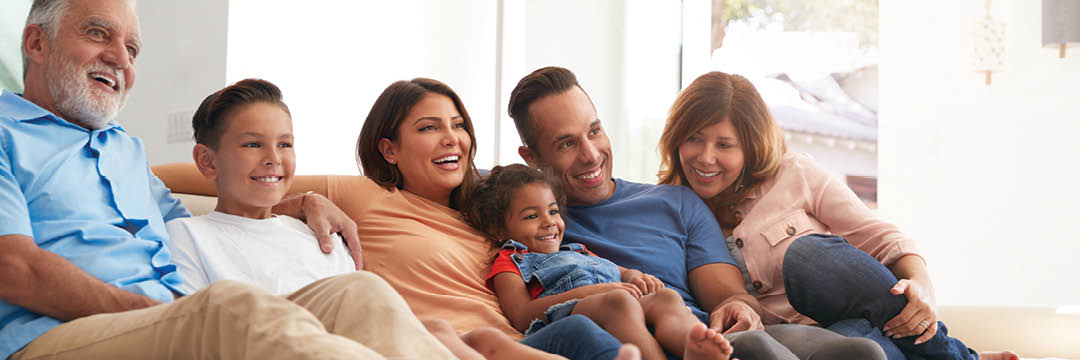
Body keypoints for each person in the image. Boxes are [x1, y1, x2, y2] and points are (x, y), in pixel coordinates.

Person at [0, 0, 452, 358]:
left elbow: (215, 216)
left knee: (359, 293)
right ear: (37, 43)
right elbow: (13, 267)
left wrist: (292, 201)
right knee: (230, 306)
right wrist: (166, 312)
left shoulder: (123, 151)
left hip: (172, 322)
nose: (120, 59)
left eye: (132, 49)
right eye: (99, 33)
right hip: (56, 336)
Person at [155, 78, 638, 360]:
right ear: (388, 148)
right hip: (437, 340)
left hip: (520, 336)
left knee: (588, 330)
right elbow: (244, 186)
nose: (452, 139)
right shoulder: (363, 195)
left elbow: (550, 246)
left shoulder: (493, 205)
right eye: (429, 128)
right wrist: (125, 165)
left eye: (458, 126)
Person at [507, 66, 888, 360]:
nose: (590, 154)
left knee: (859, 351)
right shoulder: (529, 226)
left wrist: (736, 306)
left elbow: (727, 295)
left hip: (711, 338)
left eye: (594, 131)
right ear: (532, 158)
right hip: (639, 344)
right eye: (566, 144)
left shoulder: (675, 203)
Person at [655, 71, 1017, 360]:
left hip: (852, 301)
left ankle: (955, 356)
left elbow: (882, 238)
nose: (705, 157)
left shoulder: (795, 174)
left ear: (749, 148)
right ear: (676, 139)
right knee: (856, 352)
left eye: (724, 145)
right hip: (828, 339)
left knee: (808, 255)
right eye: (694, 139)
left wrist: (920, 282)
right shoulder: (672, 211)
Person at [463, 163, 734, 360]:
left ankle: (692, 347)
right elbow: (521, 315)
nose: (549, 222)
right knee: (618, 303)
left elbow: (616, 271)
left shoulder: (577, 249)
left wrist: (631, 275)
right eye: (531, 216)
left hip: (619, 300)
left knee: (667, 298)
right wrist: (596, 292)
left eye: (553, 211)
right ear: (500, 229)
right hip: (570, 314)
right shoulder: (509, 260)